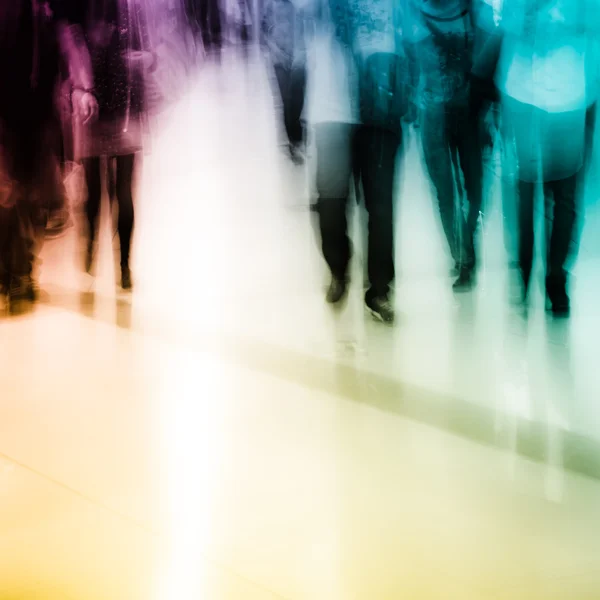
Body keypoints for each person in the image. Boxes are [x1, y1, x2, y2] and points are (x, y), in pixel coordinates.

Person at [472, 0, 599, 315]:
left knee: (566, 196)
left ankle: (557, 276)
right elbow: (508, 23)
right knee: (525, 190)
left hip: (571, 96)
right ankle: (524, 268)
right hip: (522, 95)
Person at [308, 0, 407, 323]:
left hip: (381, 108)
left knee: (380, 208)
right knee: (331, 204)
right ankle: (338, 268)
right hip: (332, 109)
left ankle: (379, 289)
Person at [0, 0, 96, 311]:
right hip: (11, 115)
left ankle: (20, 272)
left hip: (38, 117)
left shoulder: (50, 10)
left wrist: (81, 86)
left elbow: (70, 41)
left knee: (29, 197)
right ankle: (16, 273)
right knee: (10, 195)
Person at [403, 0, 495, 291]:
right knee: (445, 190)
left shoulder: (477, 9)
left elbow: (490, 62)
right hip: (432, 114)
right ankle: (462, 256)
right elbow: (406, 61)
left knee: (474, 189)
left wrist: (492, 113)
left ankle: (465, 247)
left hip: (470, 113)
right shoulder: (410, 9)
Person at [73, 0, 155, 291]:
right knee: (97, 191)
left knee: (116, 191)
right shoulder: (129, 7)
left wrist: (138, 60)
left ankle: (118, 262)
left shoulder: (131, 8)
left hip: (121, 105)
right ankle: (101, 253)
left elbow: (149, 53)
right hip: (100, 105)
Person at [262, 0, 308, 164]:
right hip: (279, 60)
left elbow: (307, 27)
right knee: (286, 101)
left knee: (298, 100)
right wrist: (277, 52)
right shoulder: (270, 5)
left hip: (299, 58)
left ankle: (299, 136)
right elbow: (264, 33)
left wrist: (301, 53)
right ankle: (294, 143)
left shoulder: (300, 4)